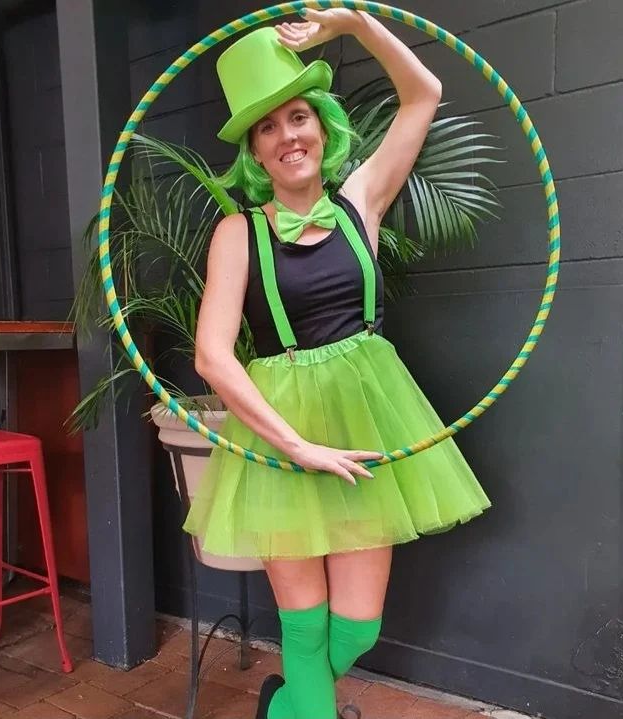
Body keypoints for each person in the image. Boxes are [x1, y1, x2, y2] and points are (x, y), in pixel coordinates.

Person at [183, 9, 491, 719]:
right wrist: (294, 445)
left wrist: (355, 25)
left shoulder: (361, 203)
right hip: (281, 436)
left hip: (362, 424)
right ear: (256, 154)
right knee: (304, 627)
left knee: (355, 629)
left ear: (323, 128)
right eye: (267, 128)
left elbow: (423, 95)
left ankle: (283, 706)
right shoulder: (237, 233)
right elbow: (211, 354)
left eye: (298, 118)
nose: (287, 136)